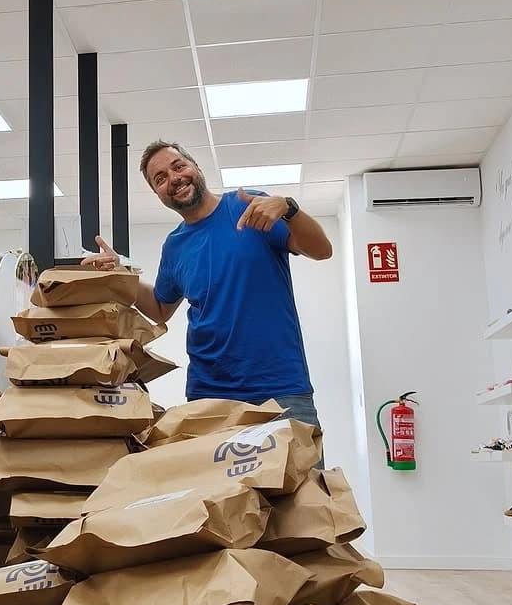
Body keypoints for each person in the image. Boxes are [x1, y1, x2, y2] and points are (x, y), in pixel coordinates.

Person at [83, 140, 331, 426]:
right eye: (160, 179)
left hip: (281, 390)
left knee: (301, 473)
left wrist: (290, 208)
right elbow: (161, 308)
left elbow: (322, 251)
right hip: (209, 395)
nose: (174, 179)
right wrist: (120, 274)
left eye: (178, 166)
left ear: (195, 167)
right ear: (157, 194)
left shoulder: (246, 206)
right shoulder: (175, 246)